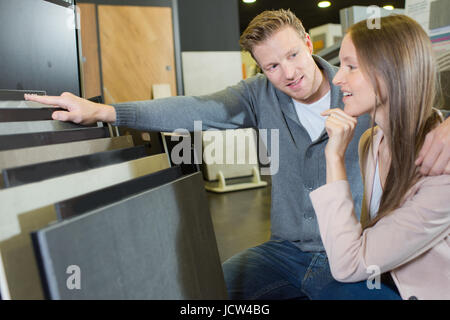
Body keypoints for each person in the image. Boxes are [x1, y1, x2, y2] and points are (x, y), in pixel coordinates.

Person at [25, 10, 450, 300]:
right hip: (283, 250)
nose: (288, 73)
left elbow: (417, 110)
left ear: (307, 43)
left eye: (292, 55)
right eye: (271, 66)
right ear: (259, 70)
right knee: (202, 294)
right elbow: (194, 108)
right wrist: (108, 111)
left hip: (351, 252)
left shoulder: (359, 92)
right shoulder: (259, 96)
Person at [310, 14, 449, 300]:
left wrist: (333, 158)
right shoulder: (370, 143)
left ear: (392, 72)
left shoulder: (442, 166)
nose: (337, 78)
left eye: (351, 66)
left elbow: (348, 264)